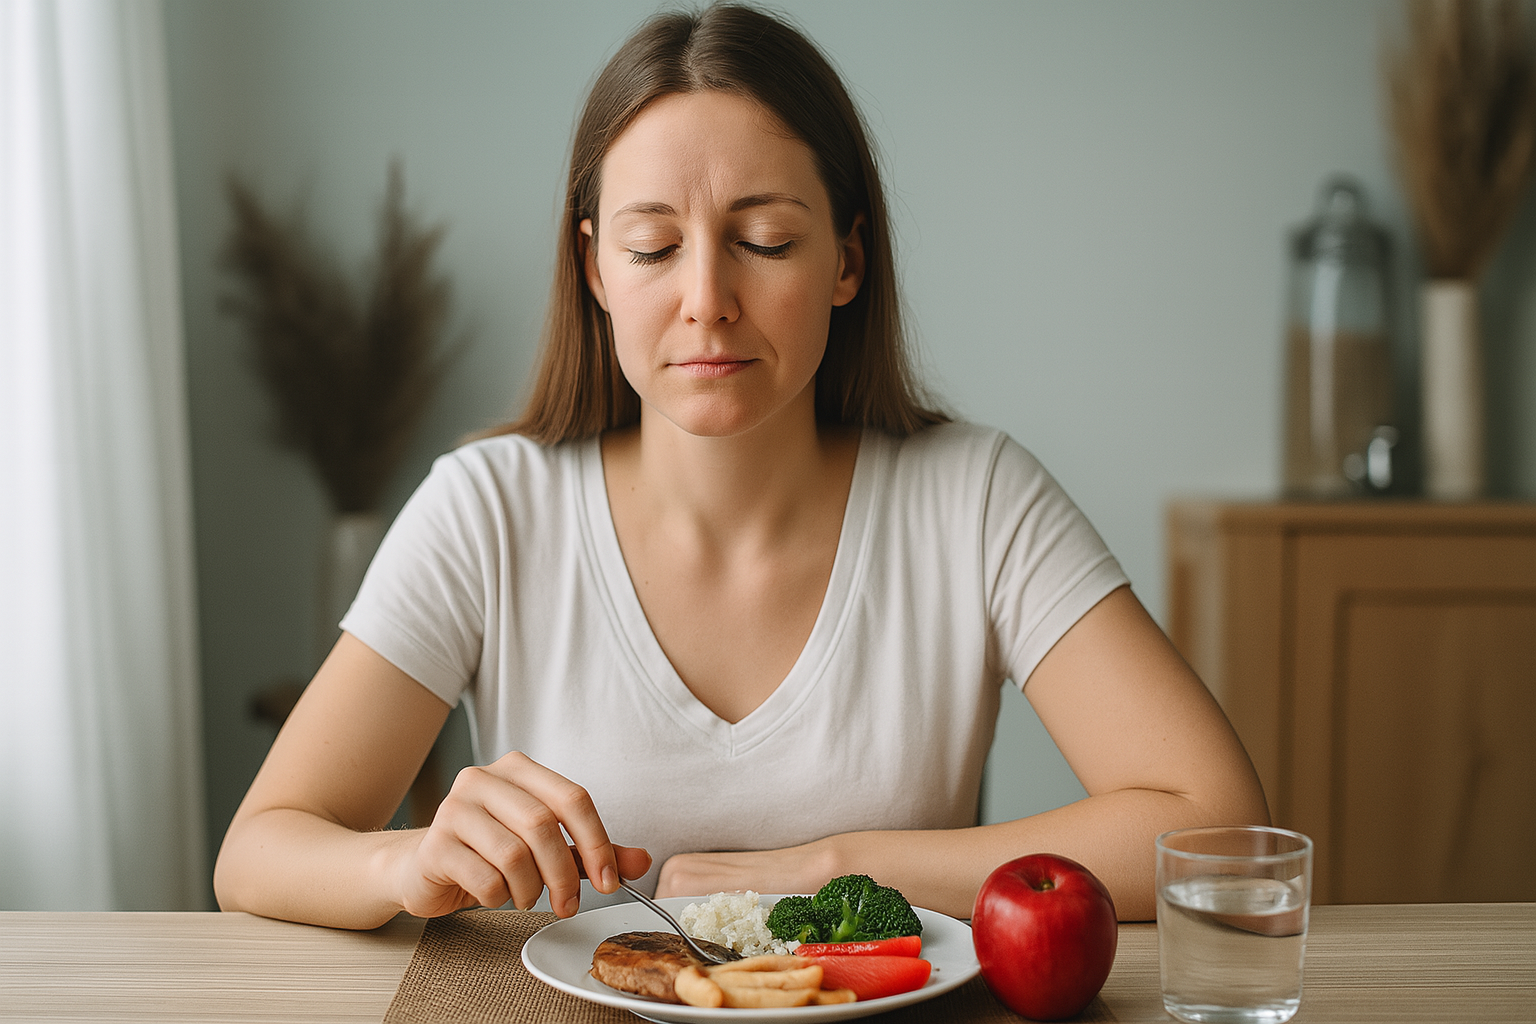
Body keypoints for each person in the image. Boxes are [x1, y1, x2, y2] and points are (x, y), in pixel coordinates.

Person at [213, 3, 1268, 931]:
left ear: (847, 260)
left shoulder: (977, 498)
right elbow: (259, 849)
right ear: (594, 268)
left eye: (764, 240)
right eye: (652, 247)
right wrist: (407, 861)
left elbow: (1216, 827)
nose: (707, 300)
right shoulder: (489, 507)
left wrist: (828, 868)